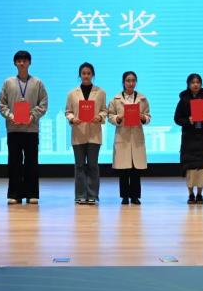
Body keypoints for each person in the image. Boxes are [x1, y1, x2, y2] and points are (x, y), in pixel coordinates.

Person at [0, 50, 49, 204]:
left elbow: (43, 103)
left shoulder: (38, 83)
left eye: (25, 60)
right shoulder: (8, 82)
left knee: (31, 162)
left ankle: (32, 194)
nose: (22, 63)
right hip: (14, 129)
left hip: (31, 129)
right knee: (14, 162)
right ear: (15, 63)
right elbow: (1, 103)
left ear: (29, 63)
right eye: (19, 60)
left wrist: (32, 116)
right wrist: (11, 116)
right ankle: (15, 194)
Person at [65, 62, 108, 205]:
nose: (86, 76)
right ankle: (80, 195)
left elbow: (104, 110)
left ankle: (93, 195)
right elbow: (68, 111)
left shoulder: (100, 92)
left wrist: (99, 117)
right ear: (80, 75)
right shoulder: (72, 93)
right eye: (83, 73)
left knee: (93, 165)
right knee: (79, 165)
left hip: (94, 133)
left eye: (89, 73)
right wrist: (72, 119)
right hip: (78, 132)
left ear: (93, 75)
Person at [174, 73, 203, 205]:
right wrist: (188, 120)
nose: (195, 85)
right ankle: (190, 194)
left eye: (198, 82)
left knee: (201, 169)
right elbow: (177, 119)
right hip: (189, 138)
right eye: (193, 82)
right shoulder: (183, 100)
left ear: (201, 84)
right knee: (190, 168)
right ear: (188, 84)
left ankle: (199, 194)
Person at [107, 71, 151, 205]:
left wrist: (143, 117)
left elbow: (148, 116)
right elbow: (110, 116)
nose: (131, 83)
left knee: (136, 169)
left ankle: (135, 196)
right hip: (122, 136)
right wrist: (118, 118)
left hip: (136, 136)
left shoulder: (142, 99)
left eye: (133, 80)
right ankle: (125, 196)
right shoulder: (115, 99)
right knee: (124, 169)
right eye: (128, 80)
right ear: (123, 82)